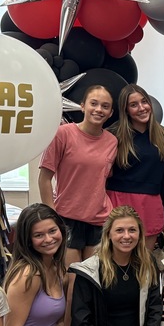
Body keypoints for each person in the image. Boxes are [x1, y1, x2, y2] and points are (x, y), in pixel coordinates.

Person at [39, 84, 117, 267]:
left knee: (94, 280)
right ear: (83, 106)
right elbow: (44, 179)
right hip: (66, 218)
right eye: (94, 103)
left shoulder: (112, 142)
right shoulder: (63, 134)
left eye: (105, 106)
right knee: (71, 280)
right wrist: (52, 217)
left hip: (99, 220)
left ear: (111, 113)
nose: (99, 109)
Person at [107, 84, 164, 250]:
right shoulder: (113, 135)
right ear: (125, 110)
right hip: (118, 201)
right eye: (133, 104)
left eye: (144, 102)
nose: (141, 108)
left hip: (150, 203)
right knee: (118, 258)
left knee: (144, 261)